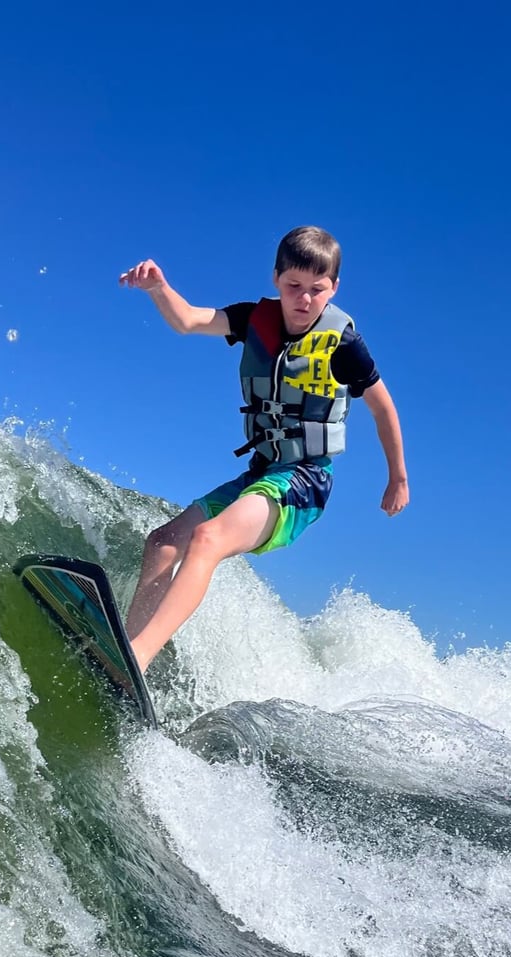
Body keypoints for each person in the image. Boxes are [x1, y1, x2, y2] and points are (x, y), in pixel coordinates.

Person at [118, 225, 409, 675]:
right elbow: (189, 320)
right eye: (294, 286)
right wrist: (158, 288)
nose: (304, 299)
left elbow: (383, 408)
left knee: (207, 539)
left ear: (333, 288)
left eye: (317, 290)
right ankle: (131, 651)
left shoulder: (343, 345)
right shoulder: (254, 318)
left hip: (304, 482)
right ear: (276, 278)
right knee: (162, 542)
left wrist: (398, 478)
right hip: (260, 473)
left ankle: (138, 656)